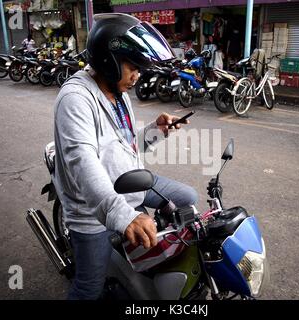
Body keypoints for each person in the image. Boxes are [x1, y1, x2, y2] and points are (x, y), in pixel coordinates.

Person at [53, 13, 198, 300]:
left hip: (131, 183)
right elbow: (83, 164)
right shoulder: (75, 100)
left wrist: (156, 130)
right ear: (108, 60)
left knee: (188, 198)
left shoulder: (120, 94)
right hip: (92, 210)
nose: (138, 75)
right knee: (88, 288)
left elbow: (125, 145)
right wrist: (123, 217)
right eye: (133, 66)